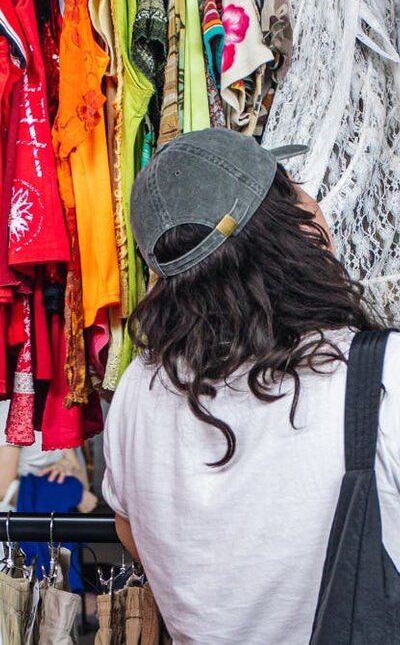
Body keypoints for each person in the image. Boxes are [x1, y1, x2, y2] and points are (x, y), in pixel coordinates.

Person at [102, 128, 400, 645]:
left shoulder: (139, 388)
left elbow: (129, 529)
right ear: (285, 227)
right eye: (290, 186)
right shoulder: (379, 373)